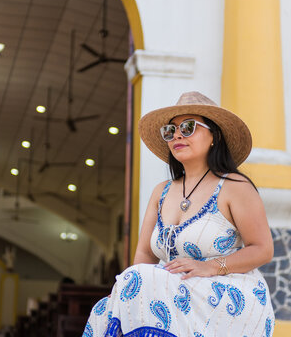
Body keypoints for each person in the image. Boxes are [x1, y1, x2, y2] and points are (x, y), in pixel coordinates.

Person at [84, 92, 275, 337]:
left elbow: (262, 249)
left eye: (188, 127)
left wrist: (210, 266)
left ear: (214, 135)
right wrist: (127, 293)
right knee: (105, 308)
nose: (176, 135)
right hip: (176, 292)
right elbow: (145, 253)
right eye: (170, 130)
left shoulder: (235, 187)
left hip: (225, 295)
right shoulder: (161, 192)